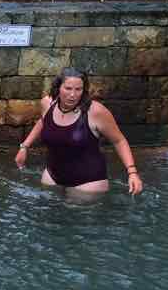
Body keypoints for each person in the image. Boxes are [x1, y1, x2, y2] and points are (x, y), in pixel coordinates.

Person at [15, 67, 144, 196]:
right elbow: (44, 121)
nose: (73, 95)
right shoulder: (47, 104)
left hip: (88, 183)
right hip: (52, 176)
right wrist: (24, 147)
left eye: (78, 89)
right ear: (58, 87)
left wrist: (132, 172)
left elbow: (119, 140)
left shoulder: (96, 112)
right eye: (68, 89)